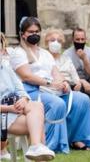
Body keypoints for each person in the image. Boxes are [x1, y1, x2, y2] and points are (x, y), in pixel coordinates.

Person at [9, 17, 70, 153]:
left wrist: (63, 83)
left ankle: (78, 140)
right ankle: (50, 144)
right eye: (31, 32)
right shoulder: (18, 53)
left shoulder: (45, 53)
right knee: (57, 103)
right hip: (30, 91)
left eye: (37, 31)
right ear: (23, 34)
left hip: (50, 89)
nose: (34, 34)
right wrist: (51, 84)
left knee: (80, 100)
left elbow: (56, 72)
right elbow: (26, 76)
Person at [0, 32, 55, 161]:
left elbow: (21, 89)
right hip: (3, 113)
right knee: (37, 123)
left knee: (36, 105)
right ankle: (37, 147)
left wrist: (24, 100)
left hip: (15, 109)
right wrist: (10, 109)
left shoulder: (6, 67)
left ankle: (36, 146)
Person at [44, 28, 90, 150]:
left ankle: (78, 138)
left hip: (67, 90)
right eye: (52, 40)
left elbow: (76, 78)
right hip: (49, 91)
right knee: (62, 102)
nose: (56, 43)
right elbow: (41, 77)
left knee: (83, 99)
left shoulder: (65, 59)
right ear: (46, 42)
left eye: (59, 40)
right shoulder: (43, 57)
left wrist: (80, 82)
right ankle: (60, 140)